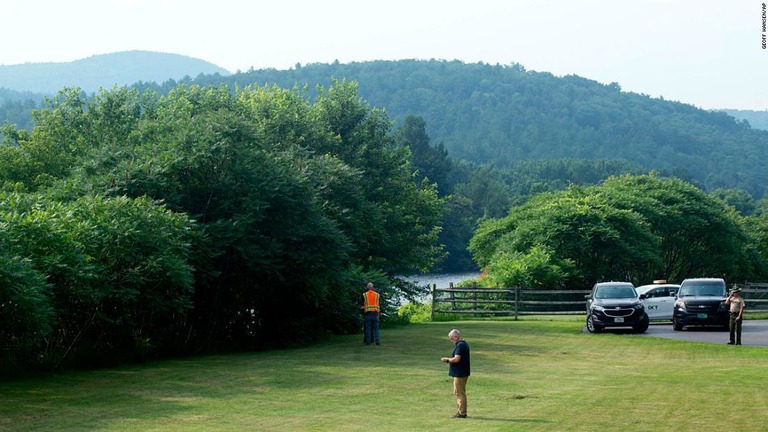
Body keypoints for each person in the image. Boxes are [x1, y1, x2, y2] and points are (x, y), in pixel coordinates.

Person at [440, 329, 470, 418]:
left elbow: (457, 359)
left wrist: (447, 360)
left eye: (452, 339)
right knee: (459, 392)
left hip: (459, 373)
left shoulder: (460, 346)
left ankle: (462, 413)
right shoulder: (464, 344)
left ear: (456, 337)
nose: (451, 341)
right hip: (462, 372)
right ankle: (461, 411)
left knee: (459, 393)